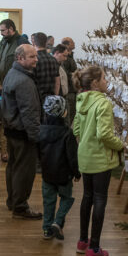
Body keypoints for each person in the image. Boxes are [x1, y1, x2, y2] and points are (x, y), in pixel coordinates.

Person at [73, 66, 123, 256]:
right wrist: (120, 145)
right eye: (103, 78)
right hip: (101, 159)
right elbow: (104, 134)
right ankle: (94, 249)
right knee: (100, 199)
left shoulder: (81, 100)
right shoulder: (103, 103)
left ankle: (82, 241)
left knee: (87, 197)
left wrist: (84, 143)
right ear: (94, 83)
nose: (106, 81)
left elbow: (76, 128)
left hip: (85, 156)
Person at [1, 44, 43, 220]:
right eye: (32, 57)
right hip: (23, 132)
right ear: (20, 58)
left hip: (13, 130)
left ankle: (13, 200)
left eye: (35, 56)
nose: (36, 60)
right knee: (24, 171)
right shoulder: (24, 81)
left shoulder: (12, 74)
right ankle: (20, 207)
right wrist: (35, 137)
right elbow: (29, 112)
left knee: (14, 167)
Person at [38, 95, 80, 240]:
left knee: (48, 202)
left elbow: (38, 152)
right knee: (67, 198)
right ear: (64, 112)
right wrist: (77, 173)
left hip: (47, 174)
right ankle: (58, 221)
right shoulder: (68, 134)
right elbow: (72, 157)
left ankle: (46, 229)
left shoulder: (40, 131)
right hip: (64, 175)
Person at [31, 32, 60, 107]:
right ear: (46, 42)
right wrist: (55, 97)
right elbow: (57, 81)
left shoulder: (34, 60)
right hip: (51, 100)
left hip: (37, 99)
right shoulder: (53, 59)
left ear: (34, 42)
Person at [61, 37, 78, 122]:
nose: (74, 43)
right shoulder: (66, 59)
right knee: (70, 113)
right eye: (72, 42)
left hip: (73, 89)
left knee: (72, 112)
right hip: (69, 90)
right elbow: (65, 73)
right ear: (67, 45)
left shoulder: (70, 56)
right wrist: (74, 74)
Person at [52, 44, 70, 121]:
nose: (65, 59)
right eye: (64, 56)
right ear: (56, 53)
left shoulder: (60, 65)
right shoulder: (52, 66)